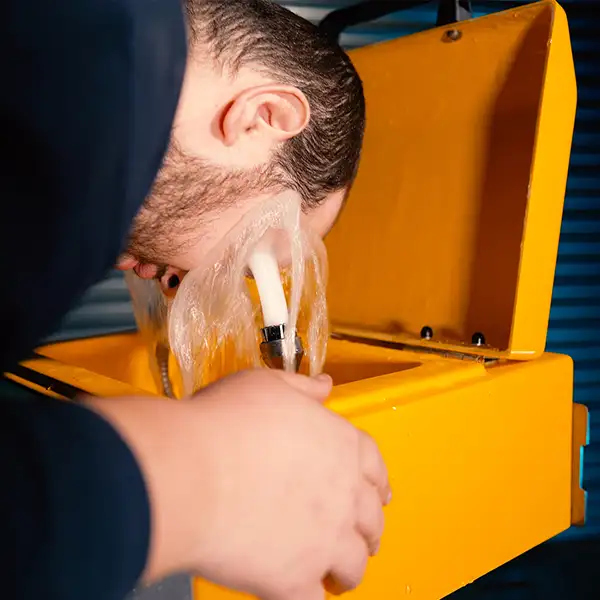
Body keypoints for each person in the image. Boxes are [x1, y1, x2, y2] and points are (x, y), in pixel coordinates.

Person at [0, 3, 390, 600]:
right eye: (263, 250)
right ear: (263, 117)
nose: (183, 285)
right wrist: (203, 478)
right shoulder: (80, 81)